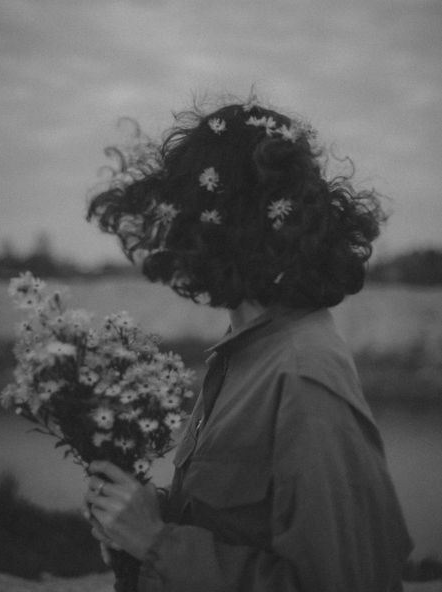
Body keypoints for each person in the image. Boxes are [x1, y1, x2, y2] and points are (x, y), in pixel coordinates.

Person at [85, 95, 413, 592]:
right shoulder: (246, 349)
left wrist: (156, 543)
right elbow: (238, 529)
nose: (174, 231)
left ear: (223, 223)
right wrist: (145, 514)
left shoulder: (303, 372)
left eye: (184, 212)